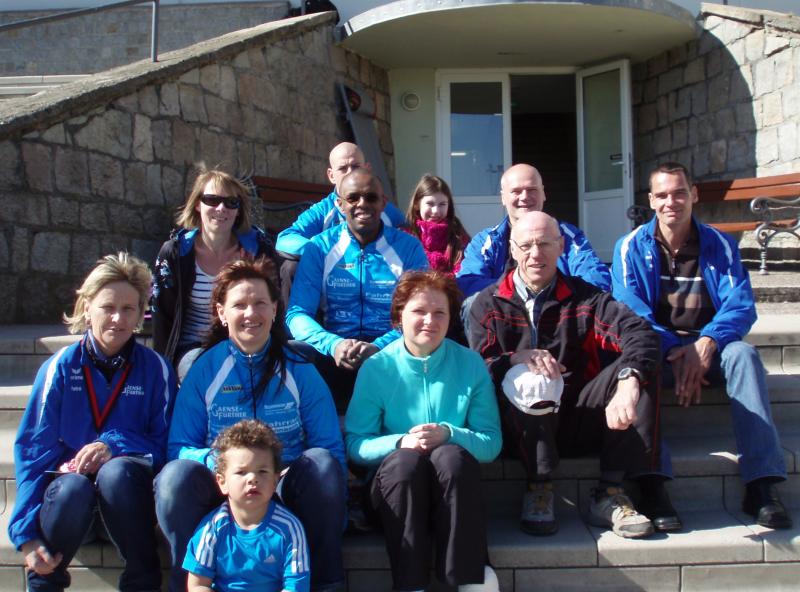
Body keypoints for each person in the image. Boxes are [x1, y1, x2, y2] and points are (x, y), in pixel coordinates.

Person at [468, 212, 679, 539]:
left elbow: (640, 333)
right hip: (517, 428)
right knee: (531, 378)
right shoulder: (488, 302)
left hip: (577, 416)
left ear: (561, 246)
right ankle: (539, 485)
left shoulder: (586, 298)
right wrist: (514, 359)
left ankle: (610, 492)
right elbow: (478, 367)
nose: (535, 254)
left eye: (544, 244)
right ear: (511, 249)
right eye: (526, 245)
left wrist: (629, 379)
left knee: (639, 367)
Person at [612, 161, 792, 530]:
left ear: (693, 194)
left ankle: (761, 484)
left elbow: (740, 305)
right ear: (651, 200)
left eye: (679, 193)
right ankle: (651, 483)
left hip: (710, 347)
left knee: (744, 355)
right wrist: (672, 350)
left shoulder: (720, 244)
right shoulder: (630, 247)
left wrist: (706, 343)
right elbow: (631, 312)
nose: (671, 202)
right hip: (660, 351)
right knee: (637, 362)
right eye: (662, 195)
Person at [155, 257, 346, 592]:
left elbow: (329, 446)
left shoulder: (300, 368)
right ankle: (185, 583)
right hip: (225, 485)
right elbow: (179, 447)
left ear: (275, 309)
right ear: (221, 313)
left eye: (260, 303)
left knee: (323, 464)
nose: (250, 313)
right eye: (239, 305)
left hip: (284, 484)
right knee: (174, 477)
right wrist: (222, 466)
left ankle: (327, 584)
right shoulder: (204, 369)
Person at [8, 253, 175, 592]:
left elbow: (167, 444)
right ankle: (44, 583)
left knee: (116, 472)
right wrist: (25, 534)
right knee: (73, 487)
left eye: (128, 309)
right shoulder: (59, 368)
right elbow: (33, 451)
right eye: (107, 307)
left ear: (140, 314)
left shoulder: (156, 369)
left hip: (128, 503)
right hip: (72, 506)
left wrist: (114, 444)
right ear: (87, 308)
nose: (117, 318)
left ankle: (142, 583)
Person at [345, 270, 502, 592]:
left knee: (450, 456)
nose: (429, 321)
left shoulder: (470, 364)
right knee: (405, 462)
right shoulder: (377, 368)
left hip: (453, 496)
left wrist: (450, 433)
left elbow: (491, 442)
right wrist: (401, 442)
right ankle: (410, 585)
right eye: (419, 311)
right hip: (396, 495)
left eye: (439, 312)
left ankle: (470, 580)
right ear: (399, 317)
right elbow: (356, 444)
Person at [286, 168, 429, 410]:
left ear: (383, 203)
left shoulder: (408, 248)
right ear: (340, 204)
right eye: (353, 198)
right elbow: (297, 314)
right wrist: (333, 344)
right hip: (334, 351)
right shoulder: (319, 247)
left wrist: (380, 346)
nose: (362, 204)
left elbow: (423, 311)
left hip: (392, 351)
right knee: (292, 351)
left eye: (371, 197)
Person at [151, 168, 279, 377]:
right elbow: (161, 317)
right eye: (212, 200)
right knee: (207, 369)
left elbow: (275, 305)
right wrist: (161, 372)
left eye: (231, 202)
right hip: (194, 349)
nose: (221, 208)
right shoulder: (176, 253)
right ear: (197, 204)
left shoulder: (258, 250)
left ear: (238, 210)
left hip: (249, 343)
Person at [184, 420, 310, 592]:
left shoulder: (289, 528)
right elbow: (198, 585)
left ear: (275, 481)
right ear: (222, 482)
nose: (253, 479)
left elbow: (295, 587)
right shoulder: (212, 529)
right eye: (241, 472)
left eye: (262, 471)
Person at [275, 142, 406, 304]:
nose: (350, 173)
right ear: (331, 175)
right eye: (343, 168)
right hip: (334, 279)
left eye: (356, 166)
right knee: (290, 267)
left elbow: (410, 235)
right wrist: (323, 252)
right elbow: (285, 239)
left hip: (376, 278)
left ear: (367, 169)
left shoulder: (384, 209)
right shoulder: (322, 211)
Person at [456, 163, 611, 300]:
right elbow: (468, 283)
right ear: (503, 197)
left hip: (560, 314)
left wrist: (548, 295)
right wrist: (520, 292)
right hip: (501, 314)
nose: (525, 197)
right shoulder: (484, 242)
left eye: (532, 189)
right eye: (516, 191)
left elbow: (596, 279)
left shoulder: (569, 237)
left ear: (543, 193)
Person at [405, 174, 470, 276]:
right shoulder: (406, 237)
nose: (436, 211)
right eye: (430, 204)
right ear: (417, 204)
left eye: (442, 204)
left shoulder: (458, 235)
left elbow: (467, 270)